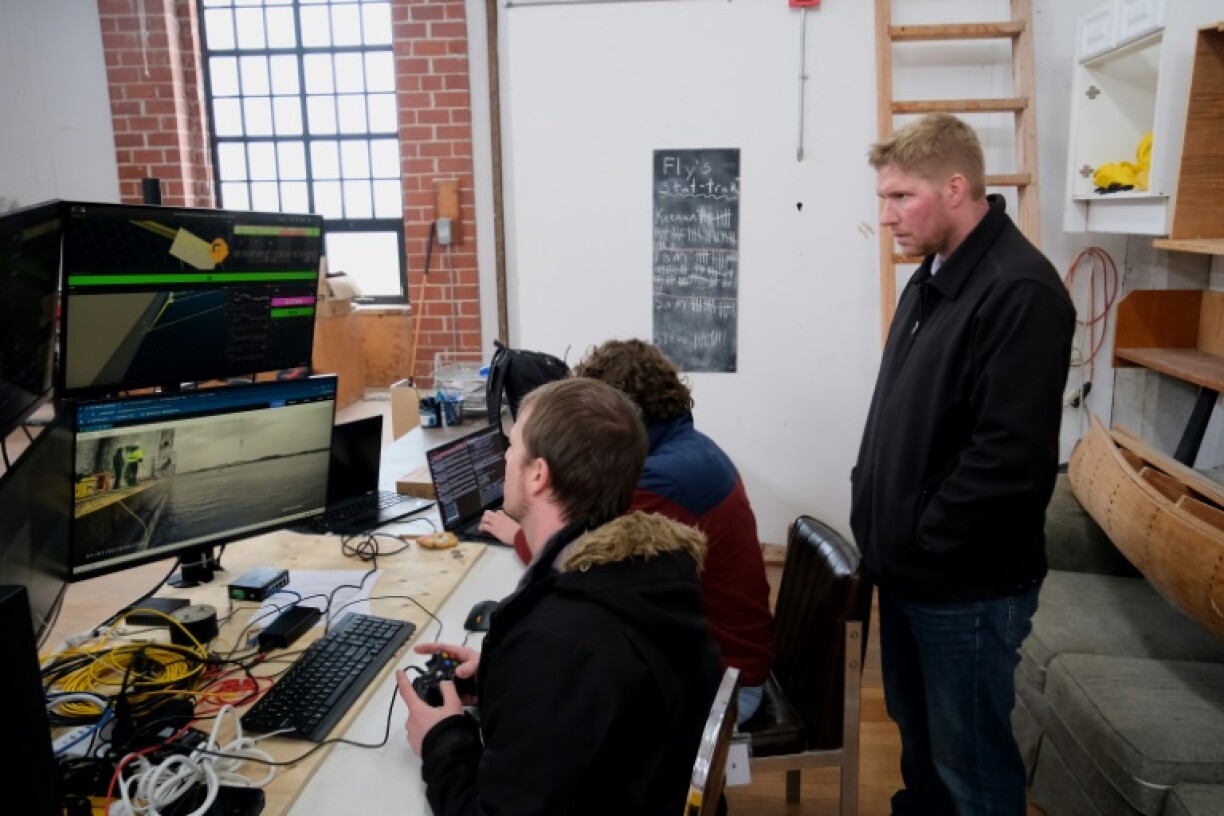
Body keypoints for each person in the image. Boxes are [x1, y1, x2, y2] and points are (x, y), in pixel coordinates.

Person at [851, 113, 1075, 816]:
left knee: (970, 770)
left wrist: (919, 536)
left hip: (965, 589)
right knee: (923, 756)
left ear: (955, 187)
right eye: (882, 199)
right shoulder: (932, 277)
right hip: (913, 575)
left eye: (900, 198)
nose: (886, 217)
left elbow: (1008, 462)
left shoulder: (1019, 291)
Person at [396, 378, 723, 816]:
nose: (505, 457)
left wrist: (442, 739)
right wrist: (502, 678)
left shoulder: (562, 644)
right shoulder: (640, 574)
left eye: (512, 446)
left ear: (537, 474)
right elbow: (601, 699)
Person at [479, 338, 775, 723]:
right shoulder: (687, 448)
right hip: (724, 660)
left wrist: (521, 534)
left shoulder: (657, 481)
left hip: (727, 688)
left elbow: (584, 565)